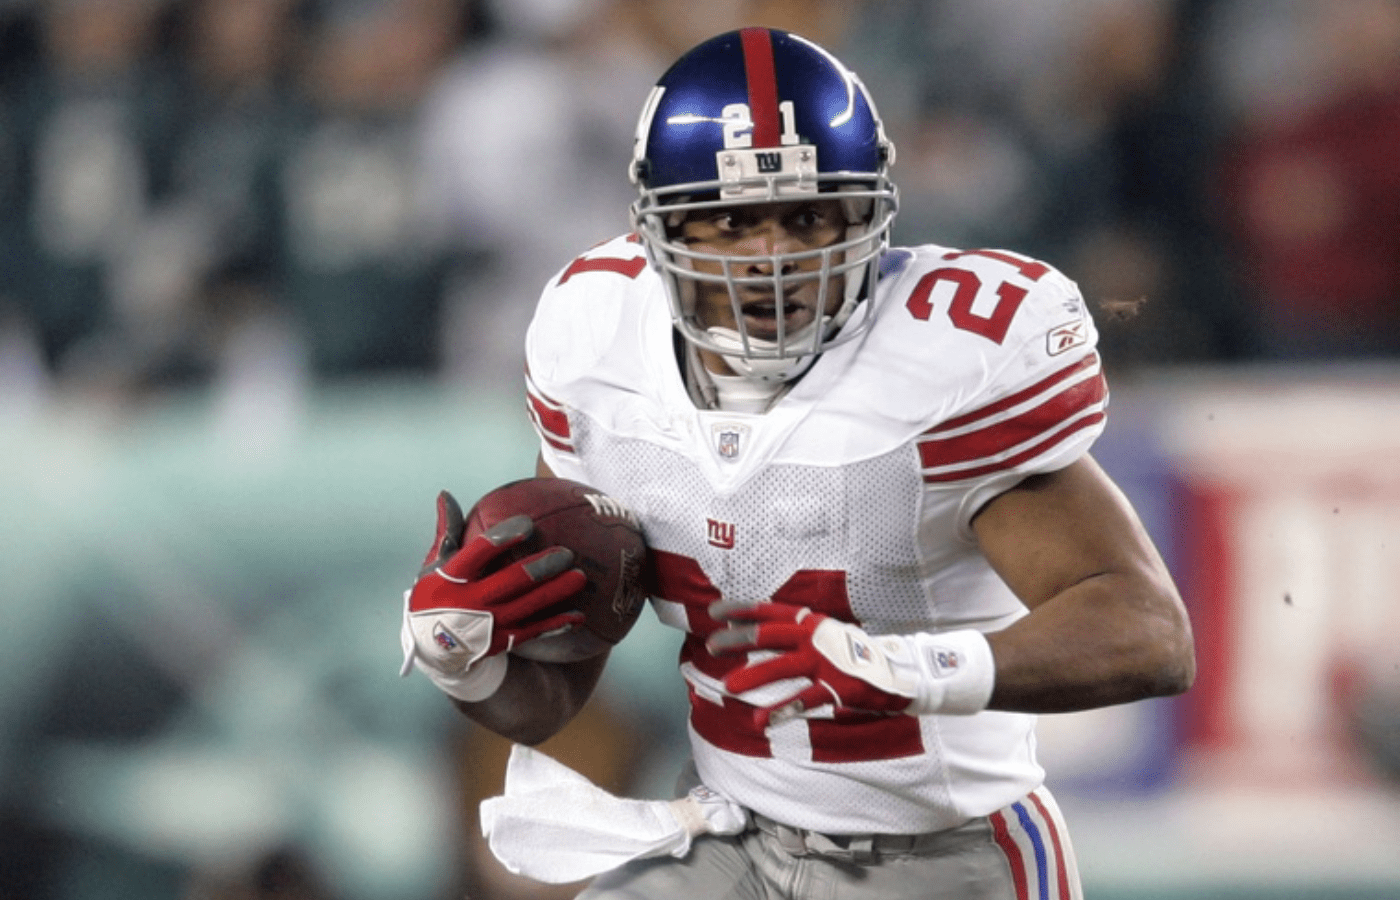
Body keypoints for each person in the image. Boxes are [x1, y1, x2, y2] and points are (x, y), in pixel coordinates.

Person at [399, 27, 1195, 900]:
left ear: (869, 215)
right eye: (734, 220)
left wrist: (908, 669)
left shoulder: (944, 363)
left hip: (941, 854)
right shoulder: (596, 342)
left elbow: (1148, 632)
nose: (772, 256)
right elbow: (556, 697)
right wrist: (470, 660)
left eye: (807, 216)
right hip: (729, 837)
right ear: (655, 225)